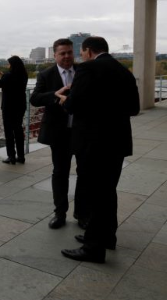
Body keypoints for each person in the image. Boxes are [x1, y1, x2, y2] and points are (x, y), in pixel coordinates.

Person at [58, 36, 139, 263]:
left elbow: (74, 105)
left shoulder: (88, 69)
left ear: (88, 51)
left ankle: (94, 248)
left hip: (93, 143)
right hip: (118, 143)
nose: (80, 56)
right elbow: (133, 108)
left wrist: (65, 100)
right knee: (107, 192)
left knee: (95, 194)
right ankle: (107, 237)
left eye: (81, 52)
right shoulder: (124, 71)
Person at [30, 38, 89, 230]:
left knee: (84, 174)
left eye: (69, 52)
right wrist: (55, 94)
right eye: (62, 53)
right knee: (60, 173)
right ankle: (60, 213)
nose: (66, 56)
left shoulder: (83, 71)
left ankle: (81, 214)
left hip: (82, 131)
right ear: (54, 55)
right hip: (59, 133)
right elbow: (35, 99)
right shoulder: (46, 74)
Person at [0, 56, 28, 164]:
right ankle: (21, 157)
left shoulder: (8, 76)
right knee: (18, 131)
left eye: (9, 64)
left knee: (9, 133)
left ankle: (11, 157)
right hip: (20, 106)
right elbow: (11, 80)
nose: (8, 66)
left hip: (9, 108)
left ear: (12, 65)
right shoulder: (24, 75)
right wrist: (2, 74)